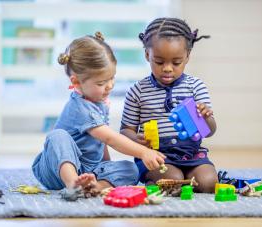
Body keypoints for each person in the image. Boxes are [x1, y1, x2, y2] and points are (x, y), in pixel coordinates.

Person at [32, 32, 165, 193]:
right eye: (102, 82)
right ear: (76, 82)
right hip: (55, 170)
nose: (110, 86)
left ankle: (95, 186)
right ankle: (73, 184)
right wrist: (144, 152)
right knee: (57, 135)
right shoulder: (80, 107)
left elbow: (102, 141)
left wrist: (106, 168)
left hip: (89, 169)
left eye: (112, 78)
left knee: (131, 169)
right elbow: (110, 138)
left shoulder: (99, 102)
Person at [120, 18, 218, 193]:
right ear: (147, 55)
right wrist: (136, 140)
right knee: (174, 180)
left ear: (187, 56)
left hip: (192, 154)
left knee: (208, 183)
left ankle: (182, 180)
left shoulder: (196, 86)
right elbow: (126, 130)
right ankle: (154, 179)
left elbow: (209, 132)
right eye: (159, 62)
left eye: (176, 62)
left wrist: (206, 118)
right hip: (156, 156)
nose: (167, 68)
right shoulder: (137, 91)